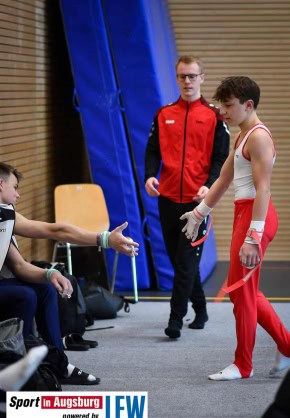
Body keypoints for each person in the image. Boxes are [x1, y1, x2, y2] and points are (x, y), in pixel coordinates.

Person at [180, 76, 290, 380]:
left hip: (257, 216)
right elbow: (223, 180)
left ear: (248, 105)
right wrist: (199, 213)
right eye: (222, 106)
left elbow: (263, 190)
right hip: (246, 215)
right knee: (246, 293)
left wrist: (253, 237)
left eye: (229, 106)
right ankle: (287, 345)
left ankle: (243, 365)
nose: (223, 112)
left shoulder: (258, 137)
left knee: (242, 293)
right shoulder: (241, 135)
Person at [0, 162, 139, 384]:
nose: (18, 195)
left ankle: (58, 364)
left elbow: (19, 265)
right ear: (0, 185)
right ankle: (17, 364)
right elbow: (57, 230)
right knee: (24, 295)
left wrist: (50, 274)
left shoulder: (5, 215)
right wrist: (104, 239)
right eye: (15, 187)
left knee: (45, 288)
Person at [144, 55, 229, 338]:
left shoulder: (215, 116)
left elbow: (221, 158)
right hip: (167, 198)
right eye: (182, 76)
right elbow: (152, 149)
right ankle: (201, 309)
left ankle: (175, 320)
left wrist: (210, 185)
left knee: (185, 263)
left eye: (192, 76)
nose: (187, 81)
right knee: (178, 260)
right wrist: (149, 174)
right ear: (176, 78)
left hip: (198, 202)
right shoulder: (163, 113)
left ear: (202, 78)